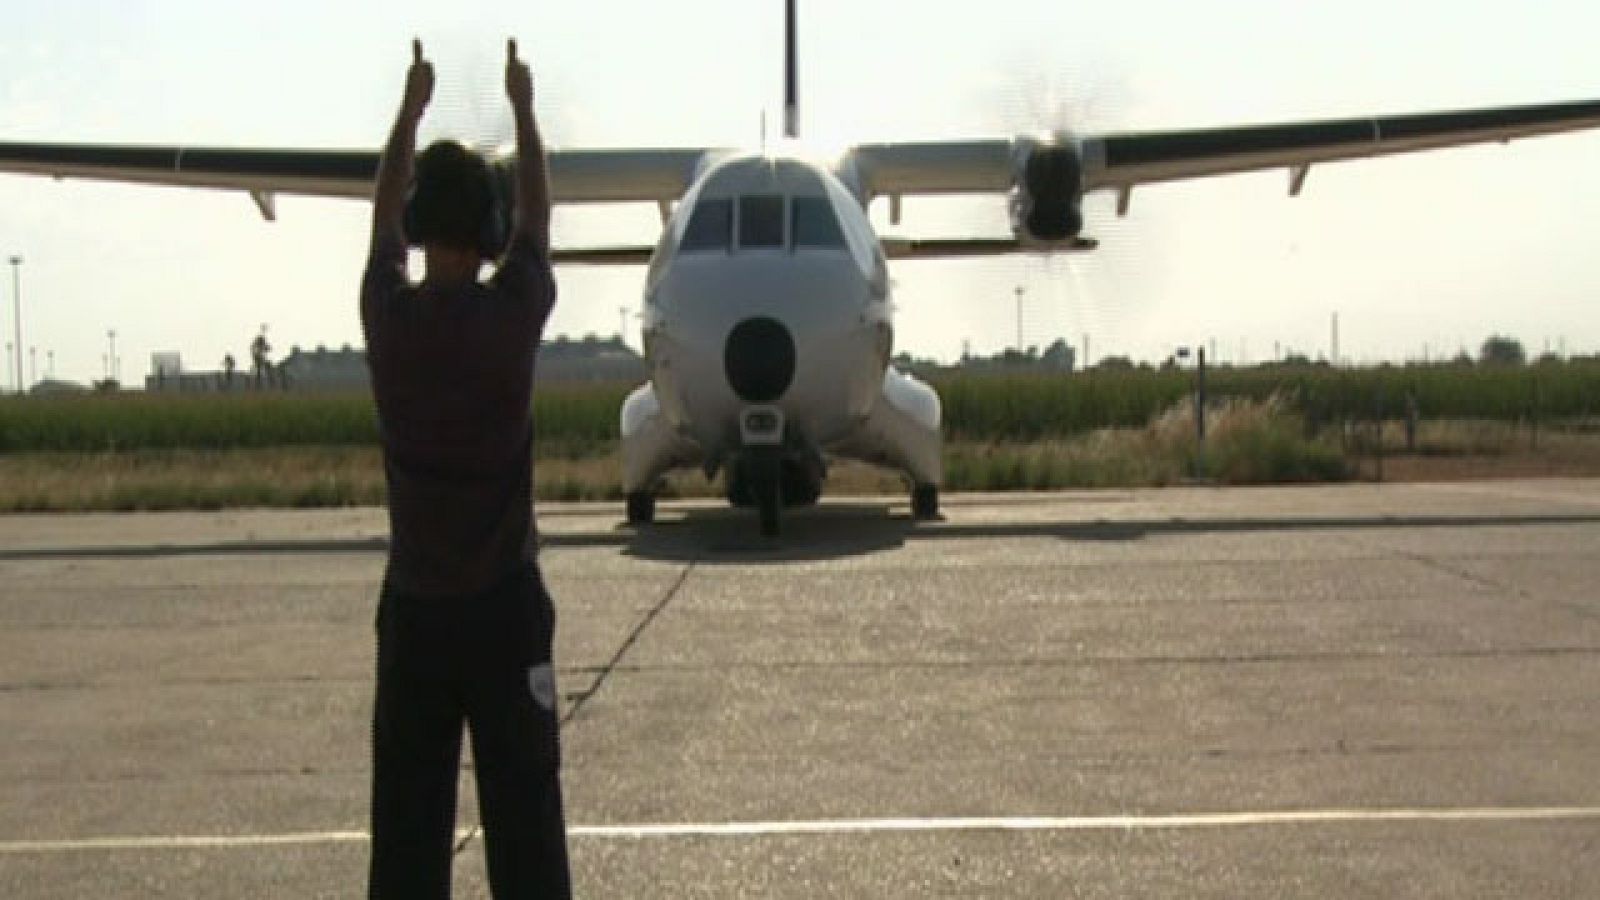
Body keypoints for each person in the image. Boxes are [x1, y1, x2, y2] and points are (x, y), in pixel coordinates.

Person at [361, 38, 568, 899]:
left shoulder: (388, 318)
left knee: (407, 836)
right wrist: (523, 111)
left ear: (418, 230)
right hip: (504, 612)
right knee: (526, 828)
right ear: (485, 234)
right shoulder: (511, 315)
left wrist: (409, 112)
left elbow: (380, 224)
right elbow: (538, 221)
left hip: (417, 615)